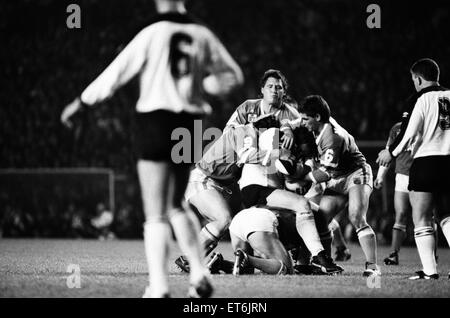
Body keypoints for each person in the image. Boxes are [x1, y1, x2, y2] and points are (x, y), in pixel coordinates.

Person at [61, 0, 243, 297]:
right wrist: (202, 87)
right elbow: (232, 76)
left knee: (155, 213)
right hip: (190, 124)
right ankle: (198, 274)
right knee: (176, 204)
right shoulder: (202, 33)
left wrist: (81, 102)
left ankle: (159, 288)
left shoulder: (153, 32)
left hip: (156, 120)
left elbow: (116, 72)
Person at [175, 114, 281, 272]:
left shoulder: (249, 134)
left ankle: (196, 261)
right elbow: (246, 155)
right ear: (265, 131)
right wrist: (274, 154)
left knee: (227, 224)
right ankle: (188, 259)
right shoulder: (246, 132)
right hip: (202, 179)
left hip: (214, 183)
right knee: (224, 220)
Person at [237, 127, 343, 274]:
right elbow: (287, 167)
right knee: (302, 204)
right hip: (257, 186)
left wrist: (304, 170)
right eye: (301, 152)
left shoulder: (285, 140)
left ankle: (306, 264)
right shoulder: (275, 134)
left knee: (318, 214)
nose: (301, 155)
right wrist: (307, 167)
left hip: (267, 190)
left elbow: (292, 182)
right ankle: (319, 256)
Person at [297, 95, 380, 277]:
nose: (302, 122)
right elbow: (292, 123)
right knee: (320, 219)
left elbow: (323, 174)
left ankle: (373, 267)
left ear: (317, 117)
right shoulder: (316, 124)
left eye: (305, 119)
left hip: (354, 174)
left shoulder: (333, 137)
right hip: (336, 177)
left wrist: (300, 178)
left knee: (356, 216)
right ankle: (325, 261)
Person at [388, 58, 450, 280]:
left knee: (422, 217)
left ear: (418, 78)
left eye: (413, 79)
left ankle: (430, 271)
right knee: (446, 216)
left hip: (427, 162)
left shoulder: (419, 98)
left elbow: (408, 133)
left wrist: (391, 153)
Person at [229, 207, 328, 275]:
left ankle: (221, 264)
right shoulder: (310, 232)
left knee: (245, 270)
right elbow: (302, 266)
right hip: (261, 220)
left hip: (239, 218)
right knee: (287, 270)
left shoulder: (298, 214)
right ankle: (247, 258)